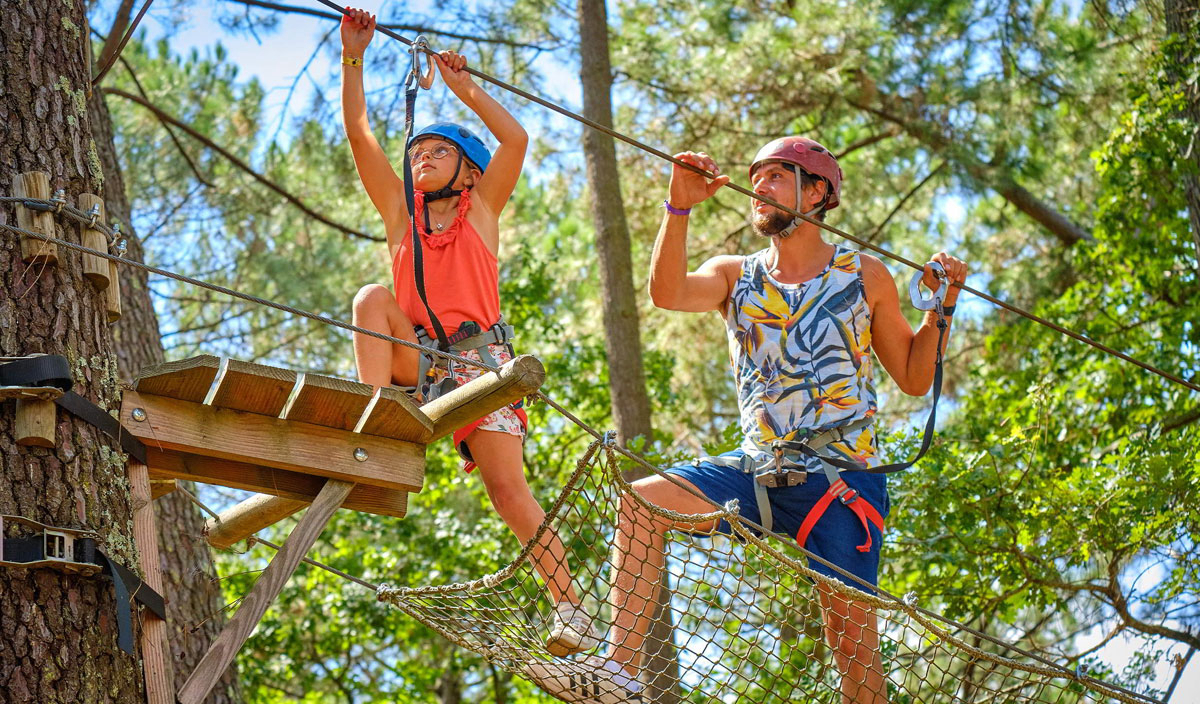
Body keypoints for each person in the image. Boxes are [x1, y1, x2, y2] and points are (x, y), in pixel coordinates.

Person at [526, 137, 967, 703]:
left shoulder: (865, 275)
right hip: (758, 470)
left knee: (851, 643)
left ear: (818, 193)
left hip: (843, 479)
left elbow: (911, 375)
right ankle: (619, 671)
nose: (759, 187)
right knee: (641, 501)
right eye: (756, 177)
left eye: (777, 176)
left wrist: (940, 310)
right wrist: (678, 205)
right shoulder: (736, 275)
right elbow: (668, 293)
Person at [339, 7, 597, 656]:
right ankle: (380, 412)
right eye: (417, 152)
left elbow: (517, 143)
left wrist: (464, 90)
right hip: (417, 367)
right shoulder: (401, 215)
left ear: (469, 172)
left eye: (438, 151)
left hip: (481, 365)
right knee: (372, 297)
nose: (421, 158)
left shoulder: (481, 210)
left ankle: (571, 609)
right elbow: (359, 132)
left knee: (507, 490)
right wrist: (354, 56)